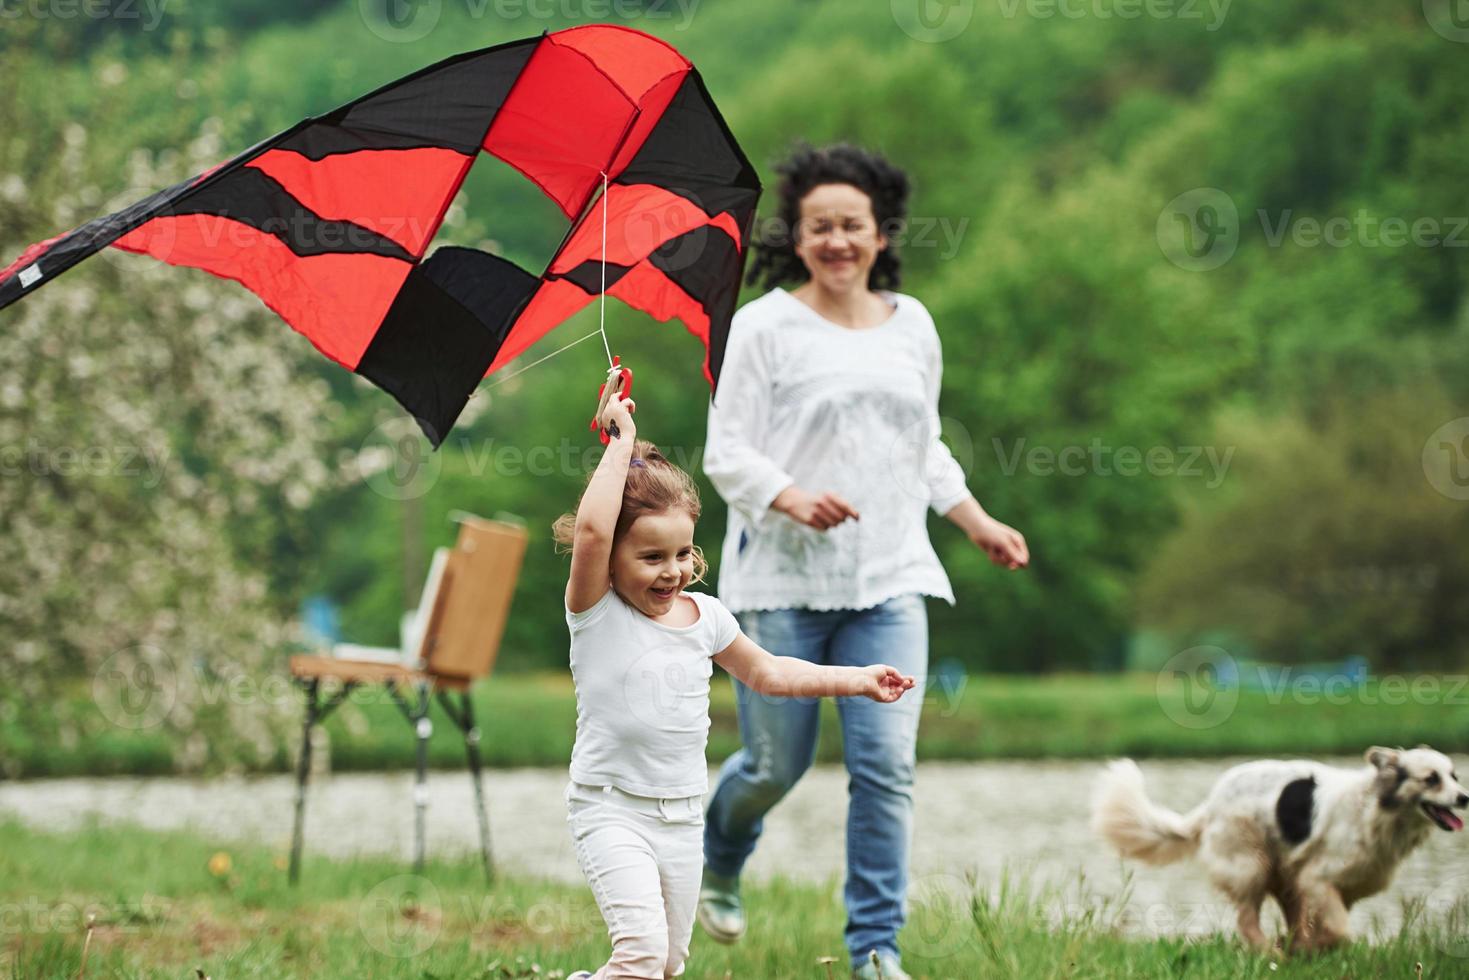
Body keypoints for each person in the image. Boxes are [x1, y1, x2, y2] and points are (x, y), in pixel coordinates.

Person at [698, 143, 1030, 980]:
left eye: (853, 225)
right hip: (781, 584)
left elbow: (923, 447)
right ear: (798, 237)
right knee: (776, 765)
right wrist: (789, 495)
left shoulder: (912, 324)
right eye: (820, 227)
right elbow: (724, 450)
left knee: (885, 771)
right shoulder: (764, 324)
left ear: (880, 234)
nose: (837, 240)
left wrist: (975, 520)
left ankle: (875, 952)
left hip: (890, 580)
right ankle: (722, 854)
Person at [555, 390, 916, 980]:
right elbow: (594, 532)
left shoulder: (708, 618)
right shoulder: (595, 612)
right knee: (641, 957)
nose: (670, 570)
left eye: (681, 553)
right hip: (611, 811)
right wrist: (621, 440)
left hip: (684, 818)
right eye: (650, 556)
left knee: (667, 964)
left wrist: (858, 678)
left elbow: (771, 673)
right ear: (613, 559)